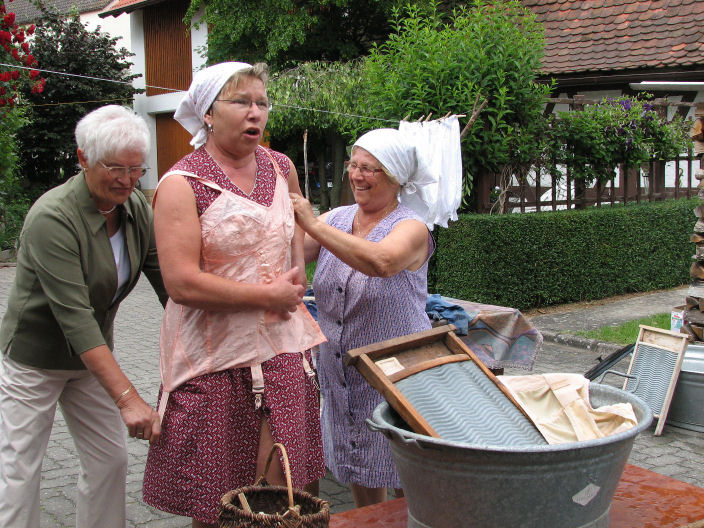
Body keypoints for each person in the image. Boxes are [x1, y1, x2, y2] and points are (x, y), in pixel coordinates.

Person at [142, 61, 326, 528]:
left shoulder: (281, 166)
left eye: (261, 103)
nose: (255, 113)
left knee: (284, 492)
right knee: (220, 500)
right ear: (207, 113)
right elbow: (181, 282)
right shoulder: (182, 184)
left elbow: (292, 246)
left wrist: (306, 265)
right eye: (241, 102)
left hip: (283, 349)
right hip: (214, 358)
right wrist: (268, 296)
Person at [0, 105, 168, 528]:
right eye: (115, 168)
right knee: (19, 471)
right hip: (34, 360)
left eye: (136, 169)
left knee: (109, 458)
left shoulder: (135, 210)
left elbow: (169, 285)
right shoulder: (52, 217)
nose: (127, 180)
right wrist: (129, 398)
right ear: (83, 158)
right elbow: (74, 319)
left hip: (91, 359)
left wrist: (206, 343)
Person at [290, 124, 462, 508]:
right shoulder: (338, 219)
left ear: (397, 177)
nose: (356, 175)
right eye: (353, 165)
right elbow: (292, 256)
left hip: (396, 373)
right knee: (357, 460)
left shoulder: (412, 227)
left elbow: (381, 262)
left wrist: (312, 223)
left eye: (370, 168)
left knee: (407, 467)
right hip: (342, 368)